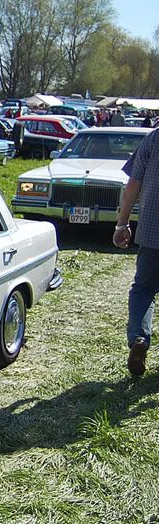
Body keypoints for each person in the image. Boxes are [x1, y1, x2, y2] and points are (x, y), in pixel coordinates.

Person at [114, 126, 159, 377]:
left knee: (143, 289)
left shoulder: (154, 138)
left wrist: (122, 223)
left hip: (153, 230)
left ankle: (139, 339)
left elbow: (133, 185)